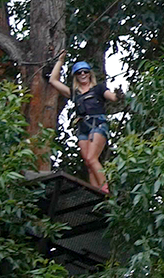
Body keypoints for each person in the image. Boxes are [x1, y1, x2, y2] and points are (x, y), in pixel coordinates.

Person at [49, 51, 117, 193]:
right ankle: (95, 191)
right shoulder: (75, 94)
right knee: (87, 162)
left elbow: (112, 97)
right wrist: (60, 61)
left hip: (97, 123)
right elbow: (53, 81)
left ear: (90, 74)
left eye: (85, 72)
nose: (82, 74)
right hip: (82, 127)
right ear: (76, 76)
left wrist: (119, 95)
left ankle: (105, 189)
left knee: (92, 158)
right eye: (79, 73)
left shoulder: (98, 89)